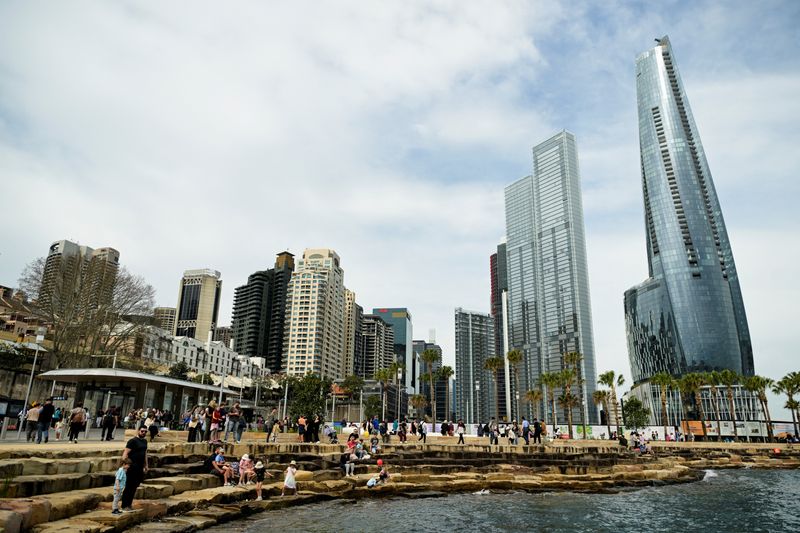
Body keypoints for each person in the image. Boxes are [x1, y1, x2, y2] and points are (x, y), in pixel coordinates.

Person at [120, 426, 149, 512]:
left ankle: (129, 504)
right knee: (129, 486)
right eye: (142, 431)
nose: (143, 433)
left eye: (145, 432)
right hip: (132, 467)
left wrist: (146, 465)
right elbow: (125, 454)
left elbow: (145, 454)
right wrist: (125, 466)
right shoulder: (132, 441)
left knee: (134, 487)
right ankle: (124, 505)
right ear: (138, 431)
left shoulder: (144, 441)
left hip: (140, 468)